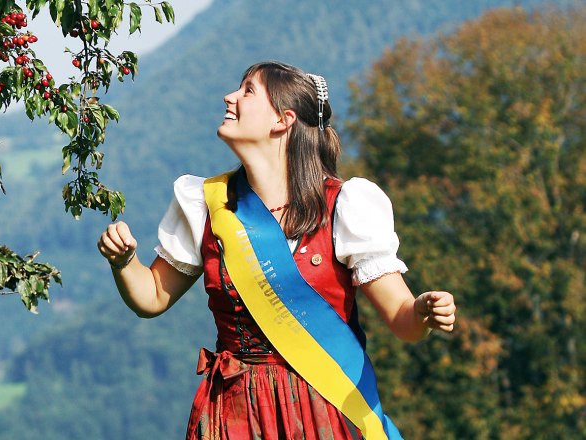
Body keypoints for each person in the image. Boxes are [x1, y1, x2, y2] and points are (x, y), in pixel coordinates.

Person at [97, 61, 456, 440]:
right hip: (235, 413)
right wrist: (124, 263)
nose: (229, 97)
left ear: (283, 121)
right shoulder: (205, 203)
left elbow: (403, 320)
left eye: (247, 90)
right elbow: (152, 297)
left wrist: (423, 311)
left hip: (323, 409)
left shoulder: (344, 205)